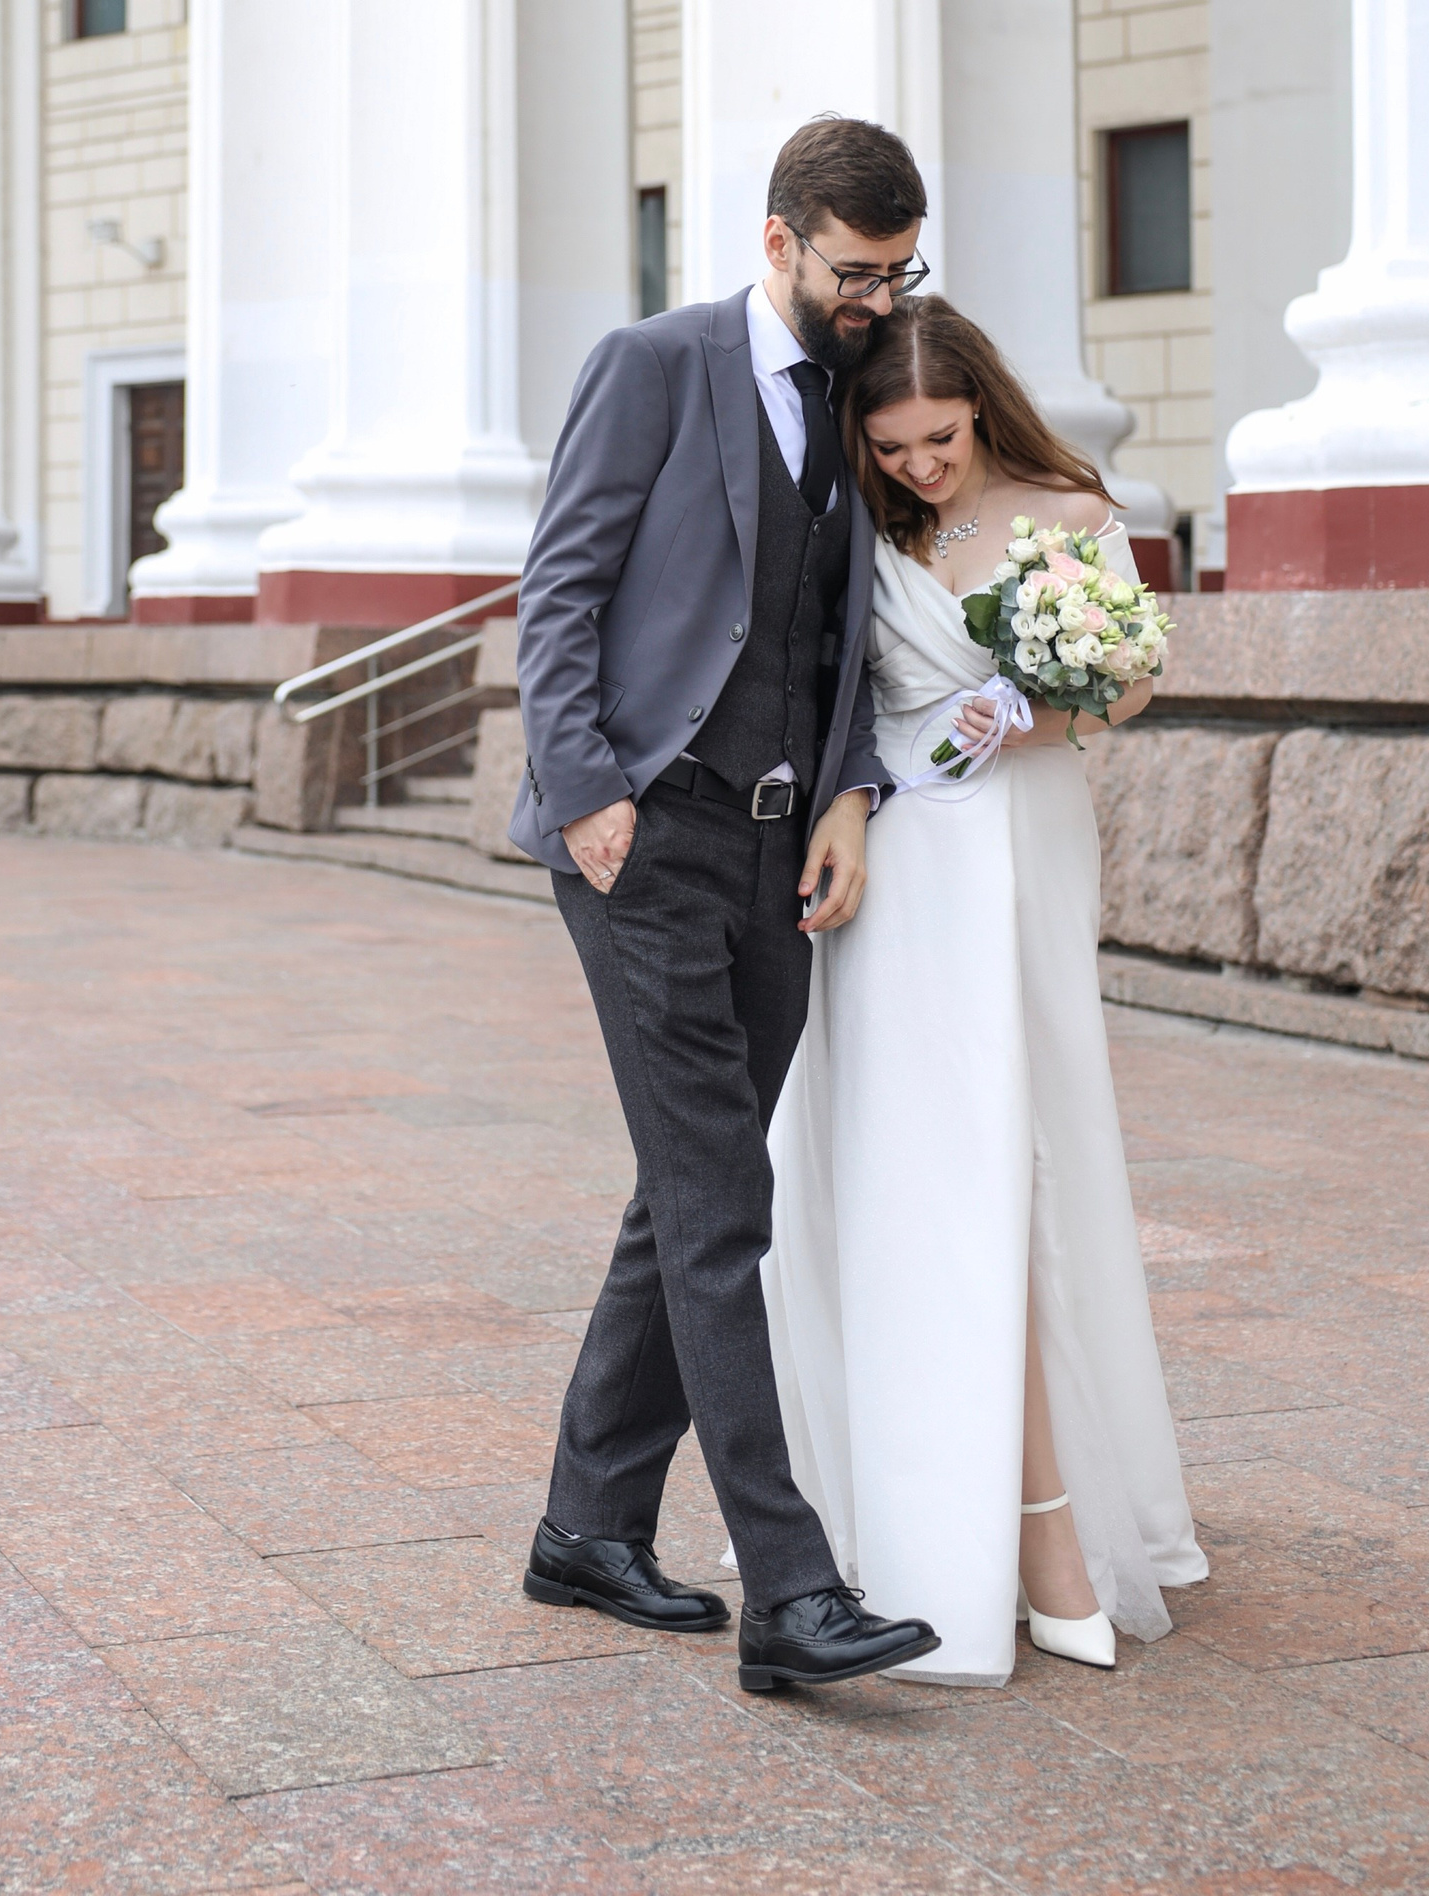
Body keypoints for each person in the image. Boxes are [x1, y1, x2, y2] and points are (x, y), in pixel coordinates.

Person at [509, 117, 942, 1692]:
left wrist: (849, 790)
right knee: (720, 1207)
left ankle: (587, 1527)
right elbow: (559, 588)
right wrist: (586, 788)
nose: (877, 302)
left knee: (687, 1194)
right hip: (641, 842)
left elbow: (839, 642)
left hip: (778, 856)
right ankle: (792, 1592)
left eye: (899, 276)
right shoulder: (653, 366)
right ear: (778, 241)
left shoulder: (857, 400)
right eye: (856, 273)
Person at [762, 294, 1208, 1680]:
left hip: (1022, 839)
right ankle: (977, 1516)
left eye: (939, 440)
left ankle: (1049, 1516)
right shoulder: (862, 521)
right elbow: (824, 684)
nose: (919, 467)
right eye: (890, 446)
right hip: (896, 854)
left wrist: (1040, 704)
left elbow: (1128, 688)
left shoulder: (1069, 512)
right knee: (924, 1171)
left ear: (981, 408)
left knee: (1028, 1152)